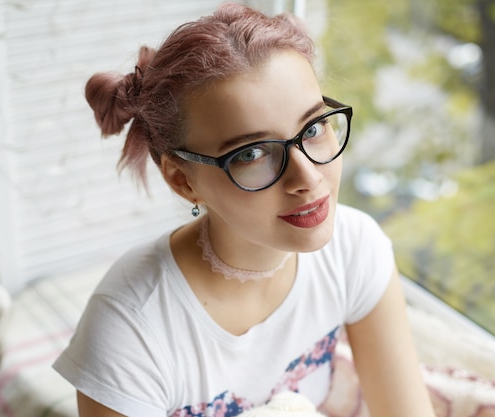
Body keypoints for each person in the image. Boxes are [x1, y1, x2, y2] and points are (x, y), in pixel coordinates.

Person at [53, 3, 436, 417]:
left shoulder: (353, 248)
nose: (307, 177)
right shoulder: (130, 329)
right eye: (253, 153)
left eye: (313, 128)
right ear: (183, 181)